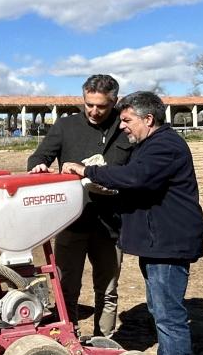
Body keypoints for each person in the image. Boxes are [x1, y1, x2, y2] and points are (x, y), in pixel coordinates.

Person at [62, 91, 203, 355]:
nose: (123, 127)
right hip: (158, 243)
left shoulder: (164, 146)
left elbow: (134, 178)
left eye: (127, 120)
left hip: (169, 244)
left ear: (148, 119)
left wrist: (89, 172)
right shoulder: (150, 146)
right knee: (161, 310)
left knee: (169, 316)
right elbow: (136, 183)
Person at [27, 74, 133, 337]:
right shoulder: (66, 126)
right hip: (70, 222)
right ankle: (69, 338)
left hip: (111, 225)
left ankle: (104, 341)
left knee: (107, 291)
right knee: (66, 290)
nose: (94, 111)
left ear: (114, 102)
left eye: (102, 106)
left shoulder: (126, 127)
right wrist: (38, 166)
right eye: (89, 105)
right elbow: (39, 156)